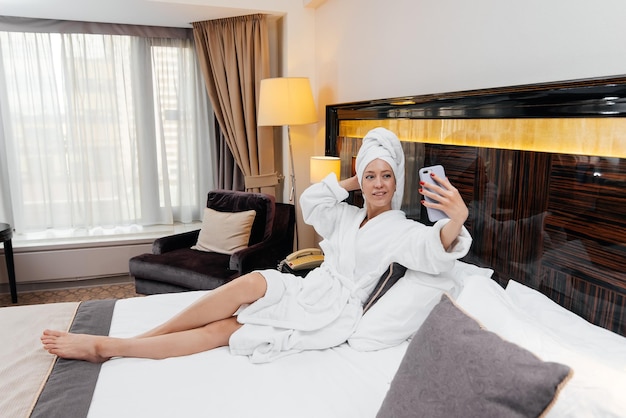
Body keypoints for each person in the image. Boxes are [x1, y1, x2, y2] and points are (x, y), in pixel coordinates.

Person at [41, 127, 471, 363]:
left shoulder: (402, 230)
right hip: (308, 289)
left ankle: (111, 347)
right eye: (371, 176)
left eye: (387, 176)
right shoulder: (347, 214)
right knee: (248, 285)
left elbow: (433, 248)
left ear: (399, 181)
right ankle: (145, 335)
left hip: (331, 312)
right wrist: (356, 177)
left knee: (226, 331)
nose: (378, 185)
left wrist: (457, 219)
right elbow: (311, 201)